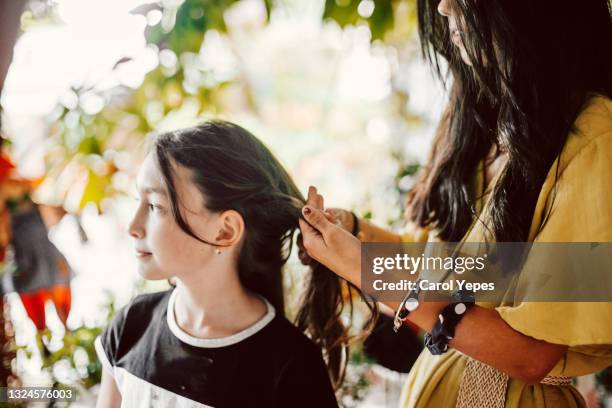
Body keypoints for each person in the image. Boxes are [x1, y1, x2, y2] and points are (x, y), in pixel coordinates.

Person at [298, 0, 612, 407]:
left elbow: (533, 354)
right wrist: (356, 233)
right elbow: (445, 269)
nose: (445, 8)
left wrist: (367, 269)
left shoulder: (596, 142)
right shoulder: (483, 121)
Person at [94, 121, 354, 408]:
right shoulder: (131, 324)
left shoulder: (292, 367)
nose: (133, 226)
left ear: (225, 231)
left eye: (155, 206)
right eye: (138, 201)